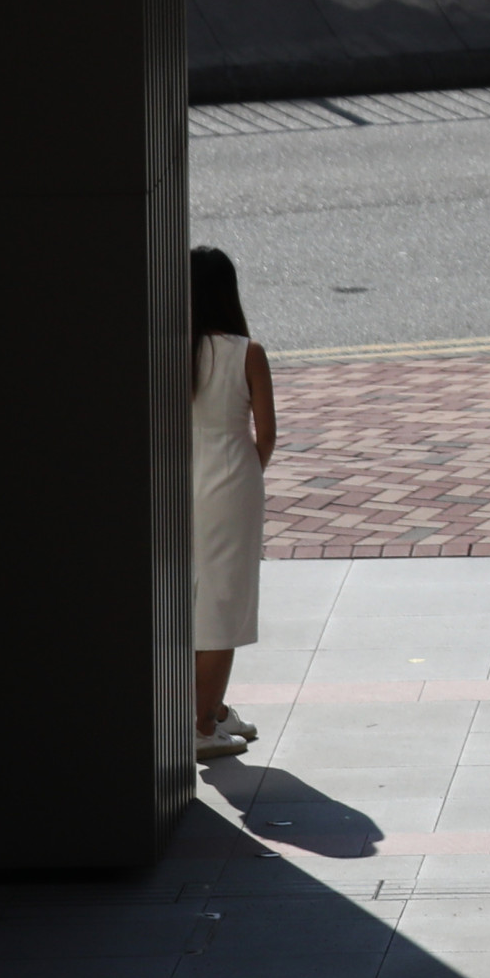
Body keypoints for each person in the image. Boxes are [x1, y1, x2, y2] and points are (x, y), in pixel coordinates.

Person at [190, 247, 275, 764]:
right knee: (222, 604)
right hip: (231, 481)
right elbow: (265, 434)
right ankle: (203, 726)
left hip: (178, 481)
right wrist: (247, 474)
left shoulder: (165, 350)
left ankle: (212, 709)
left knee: (185, 595)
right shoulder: (247, 352)